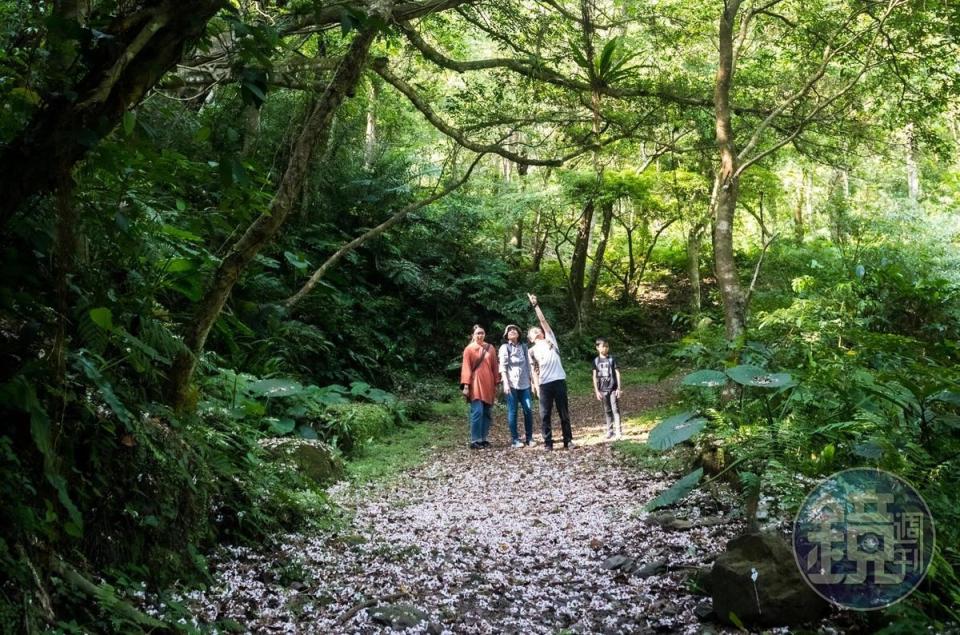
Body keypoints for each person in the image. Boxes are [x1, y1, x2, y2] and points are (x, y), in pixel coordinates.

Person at [526, 294, 574, 450]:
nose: (536, 331)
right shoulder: (531, 351)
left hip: (559, 380)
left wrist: (536, 305)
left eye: (537, 330)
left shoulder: (550, 340)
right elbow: (534, 369)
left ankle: (568, 440)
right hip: (545, 384)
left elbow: (543, 321)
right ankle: (548, 443)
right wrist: (536, 386)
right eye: (532, 332)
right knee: (545, 415)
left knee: (563, 413)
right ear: (530, 338)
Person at [460, 324, 499, 449]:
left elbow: (495, 367)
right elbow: (466, 368)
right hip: (475, 383)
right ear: (473, 335)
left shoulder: (490, 348)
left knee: (487, 412)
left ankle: (483, 438)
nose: (480, 335)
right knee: (478, 411)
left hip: (488, 383)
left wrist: (496, 383)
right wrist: (466, 386)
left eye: (482, 332)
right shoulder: (469, 349)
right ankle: (475, 440)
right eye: (478, 333)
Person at [499, 324, 535, 448]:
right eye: (509, 330)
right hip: (511, 385)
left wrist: (533, 382)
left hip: (525, 384)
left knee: (528, 409)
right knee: (512, 411)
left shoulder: (524, 347)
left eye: (514, 330)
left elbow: (529, 365)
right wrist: (505, 383)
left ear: (519, 333)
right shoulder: (504, 347)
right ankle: (515, 439)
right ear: (506, 335)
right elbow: (503, 367)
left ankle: (529, 437)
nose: (512, 331)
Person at [592, 337, 623, 440]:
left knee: (615, 410)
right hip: (603, 390)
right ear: (597, 348)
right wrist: (596, 391)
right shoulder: (596, 361)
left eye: (607, 346)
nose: (605, 348)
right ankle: (609, 431)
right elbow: (594, 376)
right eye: (603, 346)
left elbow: (617, 373)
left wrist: (619, 388)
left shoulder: (612, 359)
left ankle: (618, 431)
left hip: (613, 388)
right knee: (607, 410)